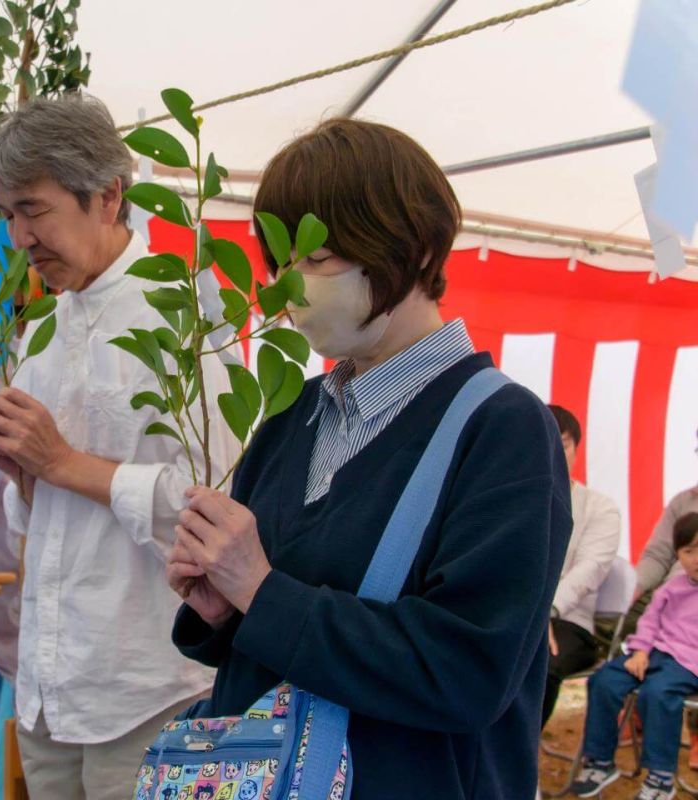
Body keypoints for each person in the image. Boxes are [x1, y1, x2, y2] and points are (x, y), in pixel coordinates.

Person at [164, 118, 571, 800]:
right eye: (278, 262)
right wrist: (224, 609)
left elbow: (469, 669)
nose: (289, 287)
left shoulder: (504, 429)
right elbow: (276, 621)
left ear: (409, 246)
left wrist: (263, 592)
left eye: (315, 258)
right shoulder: (291, 415)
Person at [0, 94, 236, 800]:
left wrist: (60, 461)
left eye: (33, 208)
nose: (20, 236)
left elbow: (217, 508)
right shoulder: (43, 333)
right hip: (54, 685)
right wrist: (26, 477)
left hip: (146, 687)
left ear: (108, 195)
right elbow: (41, 521)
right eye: (7, 215)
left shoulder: (179, 316)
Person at [569, 512, 698, 800]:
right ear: (677, 554)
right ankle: (600, 762)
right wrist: (640, 650)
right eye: (689, 551)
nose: (697, 558)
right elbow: (650, 621)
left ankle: (661, 779)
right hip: (654, 653)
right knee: (604, 680)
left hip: (689, 663)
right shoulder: (671, 587)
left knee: (658, 693)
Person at [542, 404, 620, 728]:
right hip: (516, 611)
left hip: (569, 622)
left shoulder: (600, 508)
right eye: (546, 443)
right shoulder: (509, 501)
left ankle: (518, 764)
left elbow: (589, 570)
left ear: (576, 448)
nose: (556, 454)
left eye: (564, 444)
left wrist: (545, 610)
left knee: (539, 663)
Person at [628, 428, 698, 767]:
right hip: (671, 594)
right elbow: (657, 555)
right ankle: (640, 707)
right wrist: (635, 589)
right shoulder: (684, 501)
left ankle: (695, 730)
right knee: (629, 617)